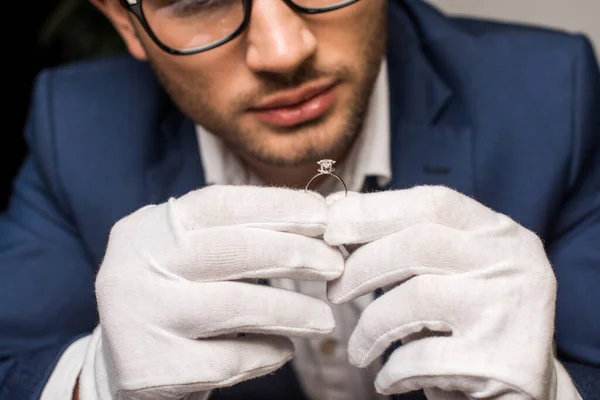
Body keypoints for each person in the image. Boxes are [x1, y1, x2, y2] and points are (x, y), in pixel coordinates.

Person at [0, 0, 599, 399]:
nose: (284, 51)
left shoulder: (553, 91)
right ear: (126, 21)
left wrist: (549, 390)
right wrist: (97, 383)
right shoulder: (72, 128)